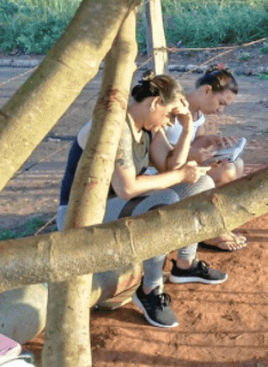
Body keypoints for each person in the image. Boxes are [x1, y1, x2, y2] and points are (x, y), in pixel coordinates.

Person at [58, 72, 227, 329]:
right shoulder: (117, 126)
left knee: (201, 184)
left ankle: (185, 264)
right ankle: (149, 289)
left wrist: (187, 126)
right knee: (166, 200)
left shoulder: (148, 125)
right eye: (170, 113)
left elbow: (171, 165)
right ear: (155, 103)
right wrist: (179, 174)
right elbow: (127, 188)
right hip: (79, 214)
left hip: (114, 204)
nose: (170, 121)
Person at [150, 65, 247, 252]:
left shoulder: (198, 113)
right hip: (165, 168)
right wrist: (194, 155)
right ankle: (209, 231)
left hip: (180, 162)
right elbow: (163, 151)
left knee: (238, 163)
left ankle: (219, 221)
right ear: (207, 90)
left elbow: (197, 140)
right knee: (226, 170)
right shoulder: (173, 109)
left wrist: (212, 140)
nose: (221, 109)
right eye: (221, 103)